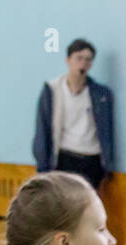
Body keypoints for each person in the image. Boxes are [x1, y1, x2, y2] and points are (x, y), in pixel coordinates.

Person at [33, 38, 115, 190]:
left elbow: (107, 131)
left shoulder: (100, 94)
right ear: (68, 60)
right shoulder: (52, 90)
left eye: (88, 60)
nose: (83, 64)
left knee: (86, 208)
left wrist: (107, 166)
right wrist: (42, 167)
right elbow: (42, 129)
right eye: (79, 58)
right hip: (64, 158)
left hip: (91, 159)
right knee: (62, 206)